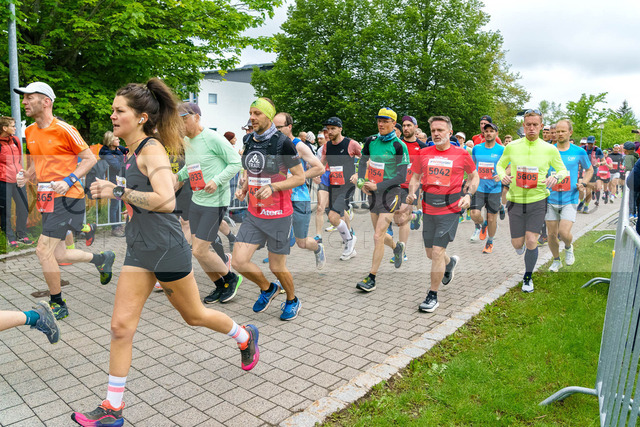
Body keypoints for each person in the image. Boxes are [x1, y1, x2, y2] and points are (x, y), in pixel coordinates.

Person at [72, 79, 260, 426]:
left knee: (195, 315)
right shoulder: (133, 151)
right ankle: (113, 408)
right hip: (139, 248)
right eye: (113, 110)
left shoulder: (151, 150)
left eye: (119, 110)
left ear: (141, 117)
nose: (112, 115)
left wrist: (117, 191)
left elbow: (165, 201)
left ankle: (245, 335)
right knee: (120, 327)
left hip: (166, 248)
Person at [14, 82, 115, 320]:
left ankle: (58, 303)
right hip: (47, 198)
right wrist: (27, 174)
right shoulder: (30, 131)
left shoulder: (64, 129)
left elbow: (89, 159)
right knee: (58, 255)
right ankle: (101, 259)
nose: (24, 102)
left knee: (42, 250)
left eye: (29, 98)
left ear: (46, 102)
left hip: (68, 197)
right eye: (24, 98)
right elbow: (37, 160)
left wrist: (69, 180)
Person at [232, 98, 306, 321]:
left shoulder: (283, 143)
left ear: (268, 116)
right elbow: (251, 170)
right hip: (254, 214)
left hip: (279, 215)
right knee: (238, 262)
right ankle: (268, 288)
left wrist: (273, 187)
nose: (252, 118)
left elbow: (300, 177)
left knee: (277, 267)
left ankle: (292, 299)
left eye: (257, 113)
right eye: (250, 113)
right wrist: (244, 188)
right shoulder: (248, 139)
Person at [407, 115, 478, 312]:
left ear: (450, 132)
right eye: (433, 131)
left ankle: (432, 295)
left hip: (451, 208)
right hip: (429, 208)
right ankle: (450, 263)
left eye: (440, 130)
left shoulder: (461, 154)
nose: (436, 134)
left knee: (437, 251)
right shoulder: (423, 153)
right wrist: (412, 192)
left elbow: (474, 176)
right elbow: (415, 177)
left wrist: (469, 195)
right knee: (431, 253)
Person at [174, 102, 244, 304]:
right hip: (197, 199)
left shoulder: (213, 138)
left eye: (184, 119)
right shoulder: (187, 140)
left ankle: (231, 279)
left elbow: (235, 163)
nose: (180, 124)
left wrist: (216, 180)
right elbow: (192, 167)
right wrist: (177, 177)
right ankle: (220, 285)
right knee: (199, 251)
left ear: (196, 117)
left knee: (199, 250)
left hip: (215, 202)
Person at [496, 109, 568, 293]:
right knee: (517, 244)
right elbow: (500, 165)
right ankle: (522, 249)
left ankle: (527, 277)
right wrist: (503, 176)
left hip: (538, 199)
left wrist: (555, 177)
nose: (531, 128)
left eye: (535, 125)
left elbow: (562, 170)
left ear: (541, 126)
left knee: (531, 240)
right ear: (523, 125)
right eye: (528, 125)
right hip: (515, 200)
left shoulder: (549, 149)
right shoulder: (512, 146)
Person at [355, 108, 410, 291]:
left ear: (393, 124)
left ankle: (371, 278)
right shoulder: (371, 141)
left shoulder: (399, 146)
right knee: (380, 234)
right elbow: (363, 162)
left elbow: (401, 176)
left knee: (377, 236)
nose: (381, 124)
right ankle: (397, 247)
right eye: (379, 120)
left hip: (390, 194)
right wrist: (361, 182)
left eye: (385, 121)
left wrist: (378, 186)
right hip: (372, 193)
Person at [273, 112, 326, 269]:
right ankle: (281, 276)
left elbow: (320, 168)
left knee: (301, 242)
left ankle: (317, 248)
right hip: (281, 198)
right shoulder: (274, 145)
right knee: (282, 238)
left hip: (299, 199)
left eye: (279, 128)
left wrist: (298, 176)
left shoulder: (299, 145)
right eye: (273, 128)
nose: (275, 131)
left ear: (289, 127)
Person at [546, 119, 593, 272]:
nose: (559, 134)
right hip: (550, 198)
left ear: (570, 132)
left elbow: (589, 169)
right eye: (557, 131)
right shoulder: (548, 150)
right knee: (551, 235)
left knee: (563, 232)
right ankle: (556, 260)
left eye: (563, 131)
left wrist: (583, 183)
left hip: (570, 198)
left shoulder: (579, 151)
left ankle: (568, 246)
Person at [320, 117, 361, 260]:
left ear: (340, 129)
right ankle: (350, 246)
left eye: (333, 129)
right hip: (334, 185)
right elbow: (321, 163)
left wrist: (357, 174)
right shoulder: (327, 146)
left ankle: (350, 240)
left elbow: (365, 160)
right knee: (341, 215)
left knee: (333, 217)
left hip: (347, 186)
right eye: (328, 129)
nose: (329, 132)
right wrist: (314, 171)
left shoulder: (351, 144)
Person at [390, 115, 427, 264]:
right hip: (395, 185)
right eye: (404, 126)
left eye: (409, 125)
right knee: (397, 218)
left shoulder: (423, 147)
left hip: (411, 186)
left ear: (415, 127)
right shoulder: (396, 144)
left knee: (402, 215)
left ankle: (402, 251)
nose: (405, 128)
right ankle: (415, 215)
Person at [469, 122, 504, 254]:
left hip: (494, 188)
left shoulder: (502, 150)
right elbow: (473, 166)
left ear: (496, 133)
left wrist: (501, 175)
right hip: (479, 187)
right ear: (483, 133)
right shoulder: (477, 148)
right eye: (486, 131)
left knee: (492, 218)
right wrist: (469, 181)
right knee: (474, 214)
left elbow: (509, 166)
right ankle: (483, 224)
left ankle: (490, 241)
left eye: (491, 131)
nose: (488, 133)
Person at [0, 116, 32, 249]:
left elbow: (18, 159)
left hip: (18, 180)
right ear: (4, 128)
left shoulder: (15, 140)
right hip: (3, 181)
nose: (15, 128)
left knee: (23, 207)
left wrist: (21, 173)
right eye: (12, 126)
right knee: (6, 211)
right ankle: (9, 237)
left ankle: (21, 235)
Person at [99, 131, 128, 237]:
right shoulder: (107, 154)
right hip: (114, 181)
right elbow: (117, 167)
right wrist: (127, 162)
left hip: (121, 180)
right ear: (111, 141)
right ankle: (114, 228)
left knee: (120, 205)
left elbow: (128, 151)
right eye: (116, 139)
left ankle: (119, 225)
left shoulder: (117, 150)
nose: (119, 140)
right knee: (115, 205)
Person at [578, 136, 603, 213]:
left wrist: (600, 163)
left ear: (594, 142)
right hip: (583, 170)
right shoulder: (582, 149)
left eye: (591, 143)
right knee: (580, 187)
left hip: (593, 171)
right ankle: (581, 201)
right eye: (588, 143)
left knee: (588, 190)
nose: (590, 145)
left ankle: (586, 206)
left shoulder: (598, 150)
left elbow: (604, 161)